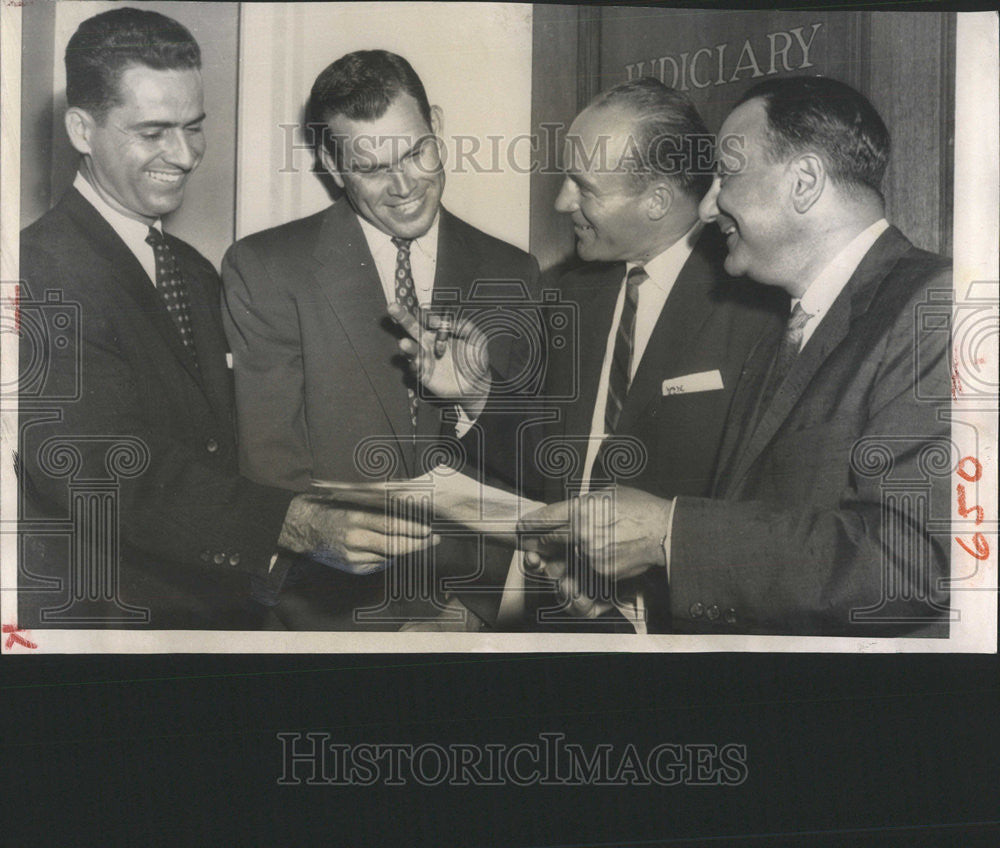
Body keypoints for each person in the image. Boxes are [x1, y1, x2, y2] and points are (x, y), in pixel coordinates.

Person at [16, 8, 417, 630]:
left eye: (193, 127)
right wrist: (297, 522)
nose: (184, 155)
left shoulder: (194, 270)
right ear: (81, 130)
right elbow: (106, 467)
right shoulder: (33, 272)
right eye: (153, 132)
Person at [521, 76, 952, 637]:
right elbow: (770, 530)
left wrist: (665, 534)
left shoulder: (937, 306)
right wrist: (636, 585)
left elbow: (914, 564)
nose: (705, 206)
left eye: (727, 174)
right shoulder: (788, 326)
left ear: (804, 182)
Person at [221, 50, 540, 629]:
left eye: (417, 152)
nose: (404, 187)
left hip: (479, 610)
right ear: (333, 165)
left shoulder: (514, 272)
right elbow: (269, 466)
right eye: (372, 169)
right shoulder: (266, 268)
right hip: (329, 612)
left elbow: (533, 457)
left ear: (436, 125)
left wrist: (477, 397)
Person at [506, 78, 783, 632]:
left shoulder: (763, 308)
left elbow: (766, 520)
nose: (563, 202)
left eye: (584, 188)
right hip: (557, 616)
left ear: (656, 200)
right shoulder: (564, 292)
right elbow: (534, 453)